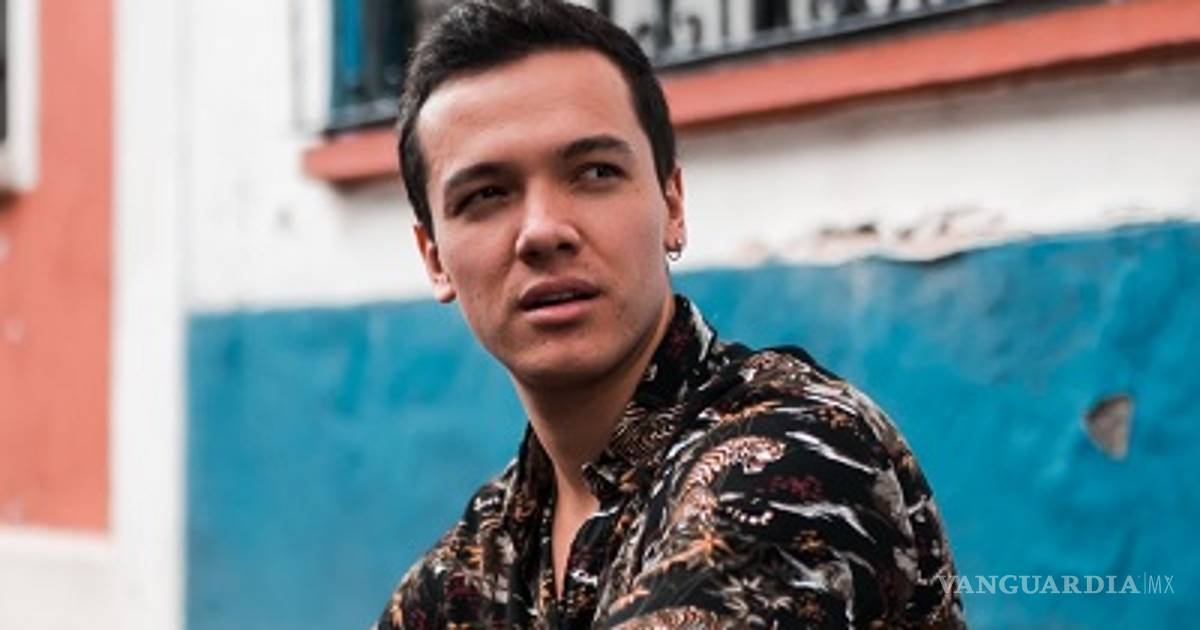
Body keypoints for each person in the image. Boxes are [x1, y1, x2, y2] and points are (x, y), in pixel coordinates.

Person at [374, 1, 965, 627]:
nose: (543, 231)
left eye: (595, 172)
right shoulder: (462, 578)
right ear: (434, 258)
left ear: (672, 204)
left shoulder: (795, 455)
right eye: (487, 194)